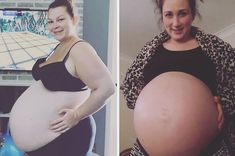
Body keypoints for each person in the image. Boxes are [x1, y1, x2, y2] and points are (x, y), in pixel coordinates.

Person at [121, 0, 235, 155]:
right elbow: (129, 89)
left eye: (182, 13)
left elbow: (232, 87)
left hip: (209, 150)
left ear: (193, 14)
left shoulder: (217, 49)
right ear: (162, 16)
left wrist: (223, 104)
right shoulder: (148, 52)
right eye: (169, 15)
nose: (175, 23)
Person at [9, 0, 115, 156]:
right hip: (49, 140)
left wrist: (76, 115)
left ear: (73, 19)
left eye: (60, 19)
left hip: (67, 138)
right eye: (50, 21)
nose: (54, 25)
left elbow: (107, 88)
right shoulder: (60, 46)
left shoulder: (79, 49)